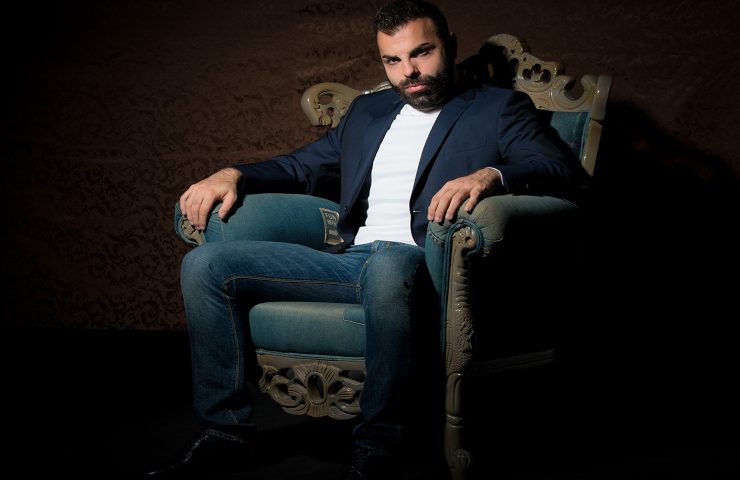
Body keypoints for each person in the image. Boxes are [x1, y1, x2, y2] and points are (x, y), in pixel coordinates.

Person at [145, 1, 586, 478]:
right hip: (352, 261)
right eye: (392, 60)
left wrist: (490, 175)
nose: (408, 71)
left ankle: (380, 446)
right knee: (204, 266)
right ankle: (224, 434)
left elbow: (562, 171)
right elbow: (301, 167)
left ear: (451, 46)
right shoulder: (368, 111)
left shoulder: (496, 108)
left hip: (424, 266)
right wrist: (232, 173)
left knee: (390, 264)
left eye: (421, 53)